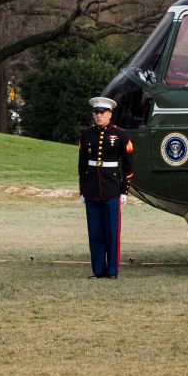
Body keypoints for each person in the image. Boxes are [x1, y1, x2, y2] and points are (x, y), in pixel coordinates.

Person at [78, 96, 134, 279]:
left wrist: (124, 190)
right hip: (92, 188)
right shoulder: (86, 134)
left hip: (111, 188)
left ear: (110, 114)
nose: (98, 116)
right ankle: (98, 270)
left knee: (111, 232)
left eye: (102, 113)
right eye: (96, 113)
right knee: (95, 232)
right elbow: (82, 164)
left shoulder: (121, 134)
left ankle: (112, 271)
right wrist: (82, 189)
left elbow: (128, 165)